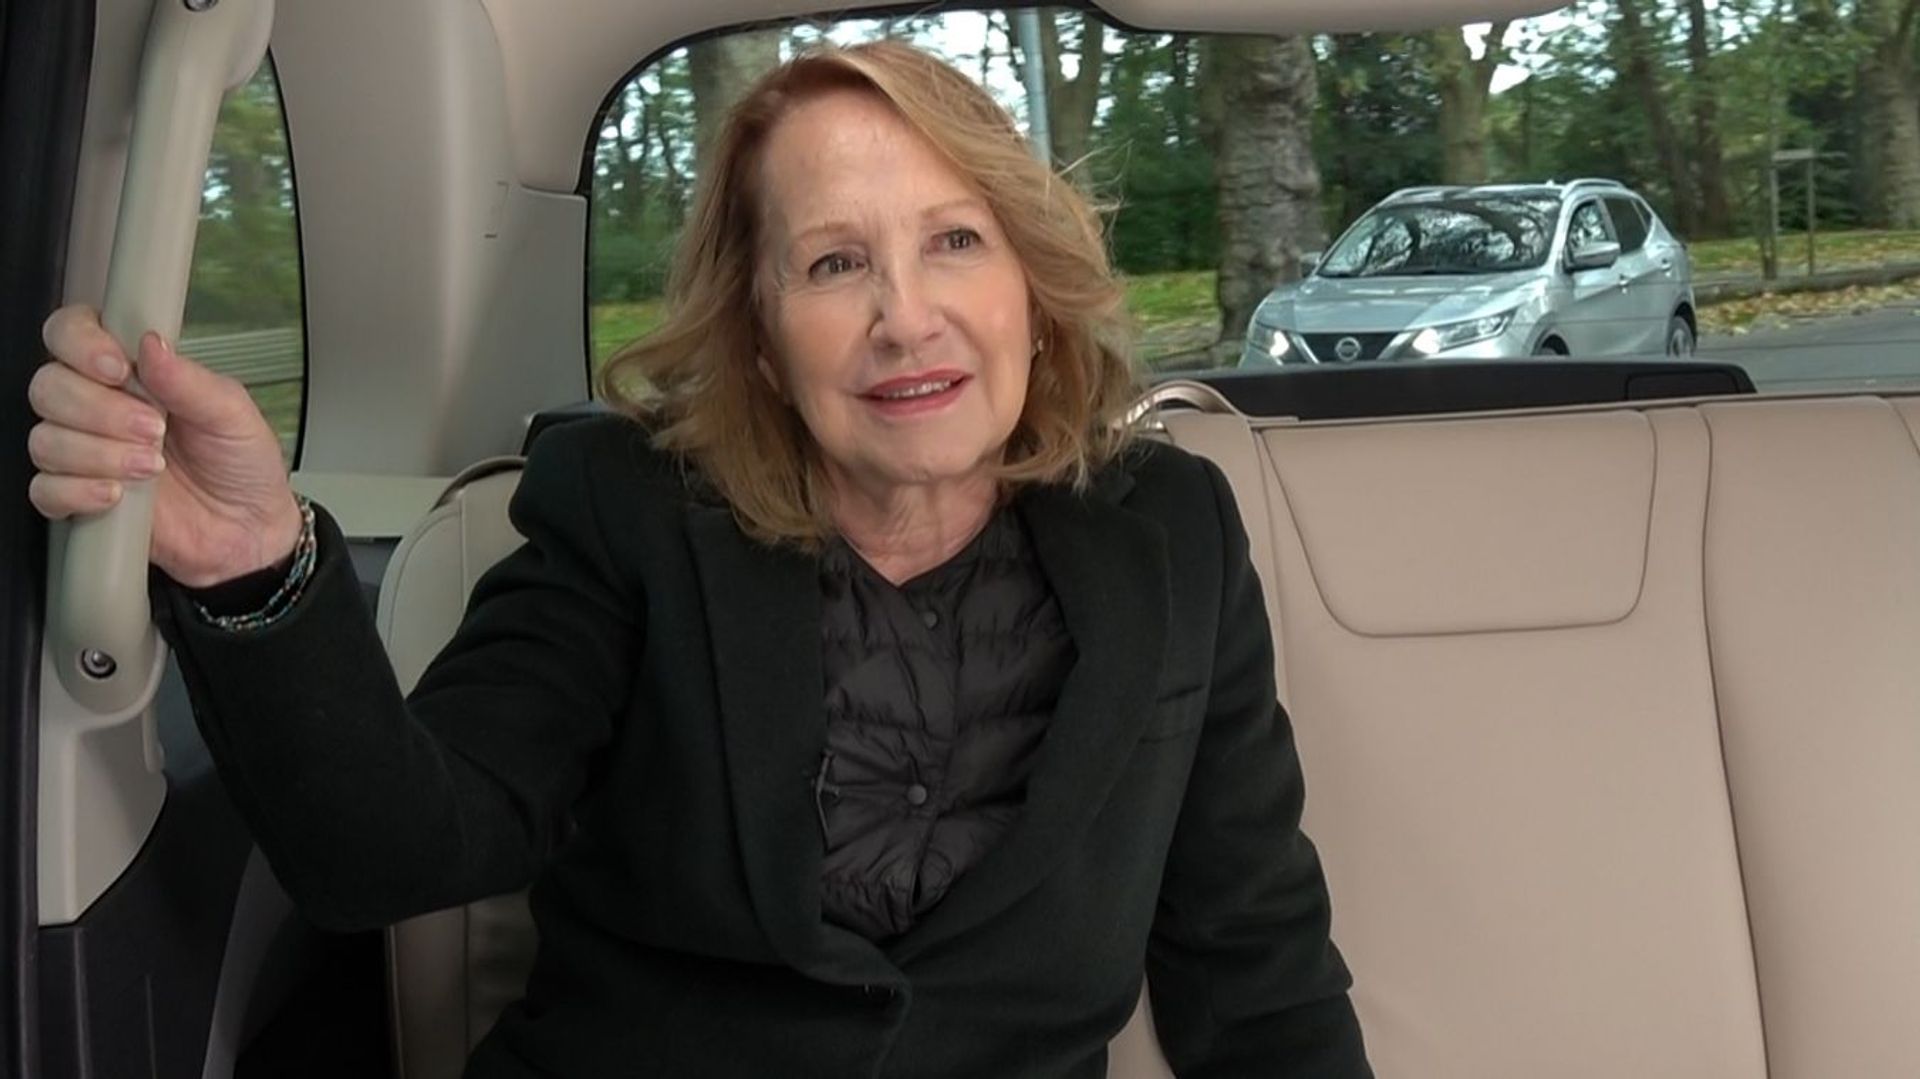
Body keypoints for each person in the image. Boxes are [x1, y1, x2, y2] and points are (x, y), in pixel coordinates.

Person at [28, 39, 1370, 1078]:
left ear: (1030, 284)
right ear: (762, 337)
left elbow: (1255, 963)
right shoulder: (629, 513)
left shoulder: (1173, 534)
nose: (907, 318)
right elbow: (393, 853)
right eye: (834, 264)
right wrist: (254, 563)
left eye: (956, 240)